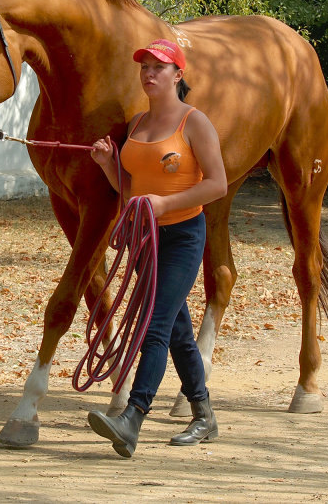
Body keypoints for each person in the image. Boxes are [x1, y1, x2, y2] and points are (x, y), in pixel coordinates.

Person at [88, 38, 228, 458]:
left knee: (156, 323)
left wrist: (165, 203)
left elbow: (217, 184)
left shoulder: (194, 123)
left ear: (178, 75)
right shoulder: (135, 126)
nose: (149, 74)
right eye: (145, 66)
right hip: (144, 239)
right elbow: (131, 190)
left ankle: (132, 417)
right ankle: (204, 415)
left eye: (159, 67)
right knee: (178, 330)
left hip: (184, 236)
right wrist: (109, 166)